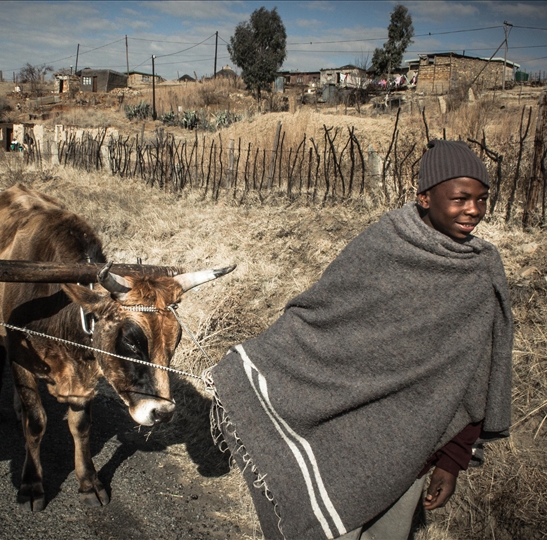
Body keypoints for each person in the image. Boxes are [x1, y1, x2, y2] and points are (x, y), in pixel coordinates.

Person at [206, 140, 513, 540]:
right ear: (425, 197)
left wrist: (452, 461)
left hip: (417, 446)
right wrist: (245, 370)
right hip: (344, 437)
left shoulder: (480, 271)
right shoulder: (383, 245)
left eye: (482, 199)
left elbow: (478, 373)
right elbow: (319, 318)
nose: (473, 209)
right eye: (460, 198)